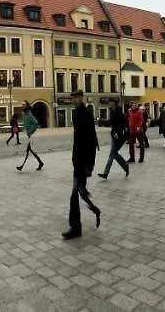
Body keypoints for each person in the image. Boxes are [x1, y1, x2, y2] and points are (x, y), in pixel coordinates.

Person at [65, 90, 101, 240]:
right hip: (78, 160)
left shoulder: (86, 114)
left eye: (75, 98)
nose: (73, 100)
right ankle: (95, 210)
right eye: (72, 98)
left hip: (83, 162)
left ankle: (75, 228)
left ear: (81, 98)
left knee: (75, 194)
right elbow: (77, 140)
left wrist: (89, 165)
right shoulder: (77, 114)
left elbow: (91, 140)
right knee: (80, 191)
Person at [97, 99, 130, 179]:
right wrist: (100, 122)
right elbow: (111, 123)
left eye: (109, 102)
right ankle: (125, 166)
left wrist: (100, 121)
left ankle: (107, 173)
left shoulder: (118, 112)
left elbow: (120, 123)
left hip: (119, 136)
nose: (108, 104)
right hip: (114, 135)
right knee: (113, 154)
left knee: (113, 154)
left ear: (113, 103)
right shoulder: (112, 111)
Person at [15, 101, 44, 172]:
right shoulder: (24, 114)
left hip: (31, 135)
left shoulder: (29, 114)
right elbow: (26, 123)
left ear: (27, 105)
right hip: (28, 135)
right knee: (29, 150)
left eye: (24, 104)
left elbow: (36, 123)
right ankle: (40, 163)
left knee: (29, 150)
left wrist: (30, 131)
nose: (22, 106)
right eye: (22, 104)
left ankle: (22, 166)